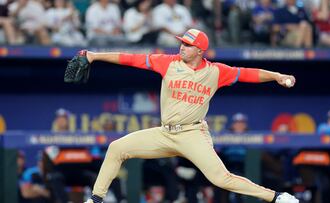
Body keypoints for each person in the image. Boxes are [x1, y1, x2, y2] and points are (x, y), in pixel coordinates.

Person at [78, 28, 299, 203]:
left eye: (187, 44)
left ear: (200, 51)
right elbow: (130, 58)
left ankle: (276, 197)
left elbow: (247, 74)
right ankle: (96, 200)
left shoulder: (215, 72)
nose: (182, 47)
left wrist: (276, 75)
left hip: (193, 133)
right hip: (164, 133)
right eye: (182, 42)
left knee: (220, 179)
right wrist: (95, 56)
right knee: (117, 148)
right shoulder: (169, 62)